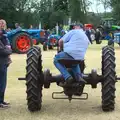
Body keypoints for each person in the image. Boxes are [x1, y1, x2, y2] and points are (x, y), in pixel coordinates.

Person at [0, 19, 12, 109]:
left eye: (3, 24)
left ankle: (2, 100)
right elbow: (2, 50)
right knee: (1, 83)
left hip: (4, 62)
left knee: (3, 83)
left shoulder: (4, 35)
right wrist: (9, 50)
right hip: (1, 62)